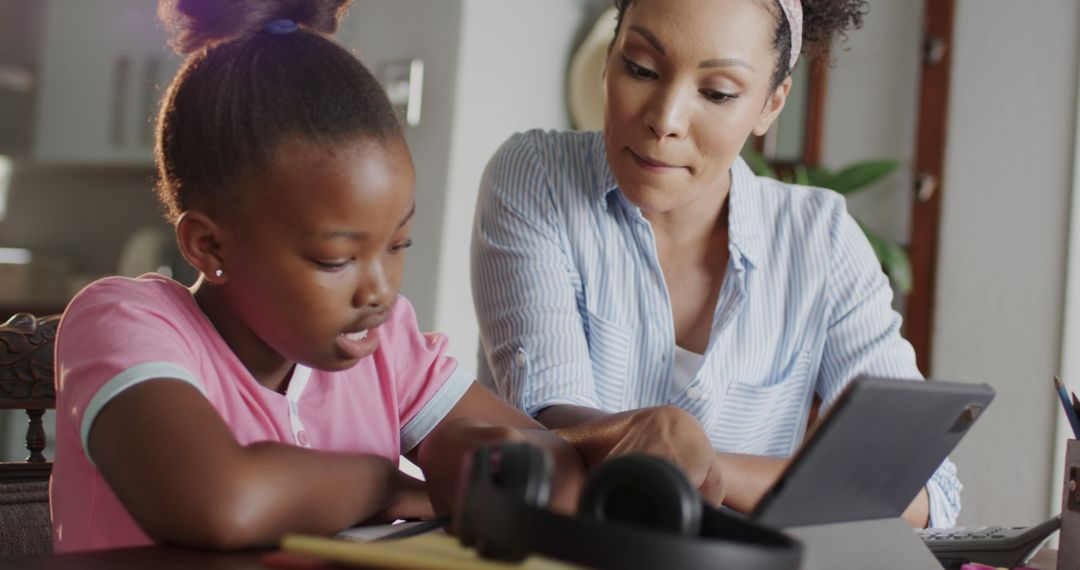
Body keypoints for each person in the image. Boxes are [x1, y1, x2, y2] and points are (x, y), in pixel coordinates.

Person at [49, 0, 585, 553]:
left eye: (397, 244)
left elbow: (559, 465)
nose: (379, 291)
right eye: (335, 260)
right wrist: (386, 481)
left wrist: (473, 452)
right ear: (209, 246)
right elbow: (221, 502)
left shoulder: (385, 345)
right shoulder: (124, 323)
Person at [472, 0, 959, 528]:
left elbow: (926, 492)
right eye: (640, 68)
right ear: (610, 54)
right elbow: (544, 422)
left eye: (717, 92)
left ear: (771, 105)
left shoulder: (821, 242)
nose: (665, 120)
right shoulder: (535, 176)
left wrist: (705, 464)